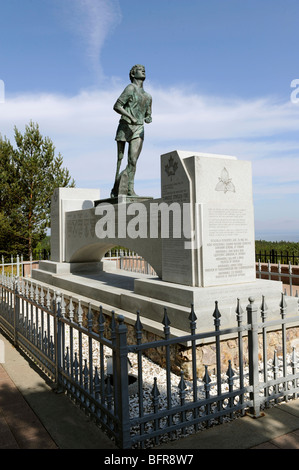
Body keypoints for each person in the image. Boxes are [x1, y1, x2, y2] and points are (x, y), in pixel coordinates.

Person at [110, 64, 152, 197]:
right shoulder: (130, 88)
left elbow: (148, 114)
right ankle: (115, 188)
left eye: (144, 70)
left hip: (138, 128)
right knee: (120, 159)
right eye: (140, 70)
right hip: (125, 126)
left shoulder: (148, 96)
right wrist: (130, 116)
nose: (143, 71)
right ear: (133, 74)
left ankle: (130, 189)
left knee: (133, 160)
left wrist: (148, 117)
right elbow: (117, 106)